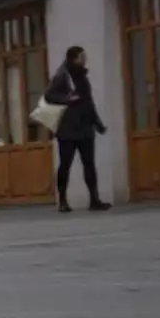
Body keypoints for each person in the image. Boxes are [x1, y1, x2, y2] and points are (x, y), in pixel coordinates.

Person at [44, 46, 112, 213]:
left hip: (85, 128)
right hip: (67, 129)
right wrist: (67, 98)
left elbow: (88, 102)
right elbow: (49, 96)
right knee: (65, 164)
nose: (85, 58)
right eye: (82, 56)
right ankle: (62, 200)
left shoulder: (82, 76)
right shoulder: (62, 75)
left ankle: (94, 199)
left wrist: (98, 124)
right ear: (73, 58)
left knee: (89, 164)